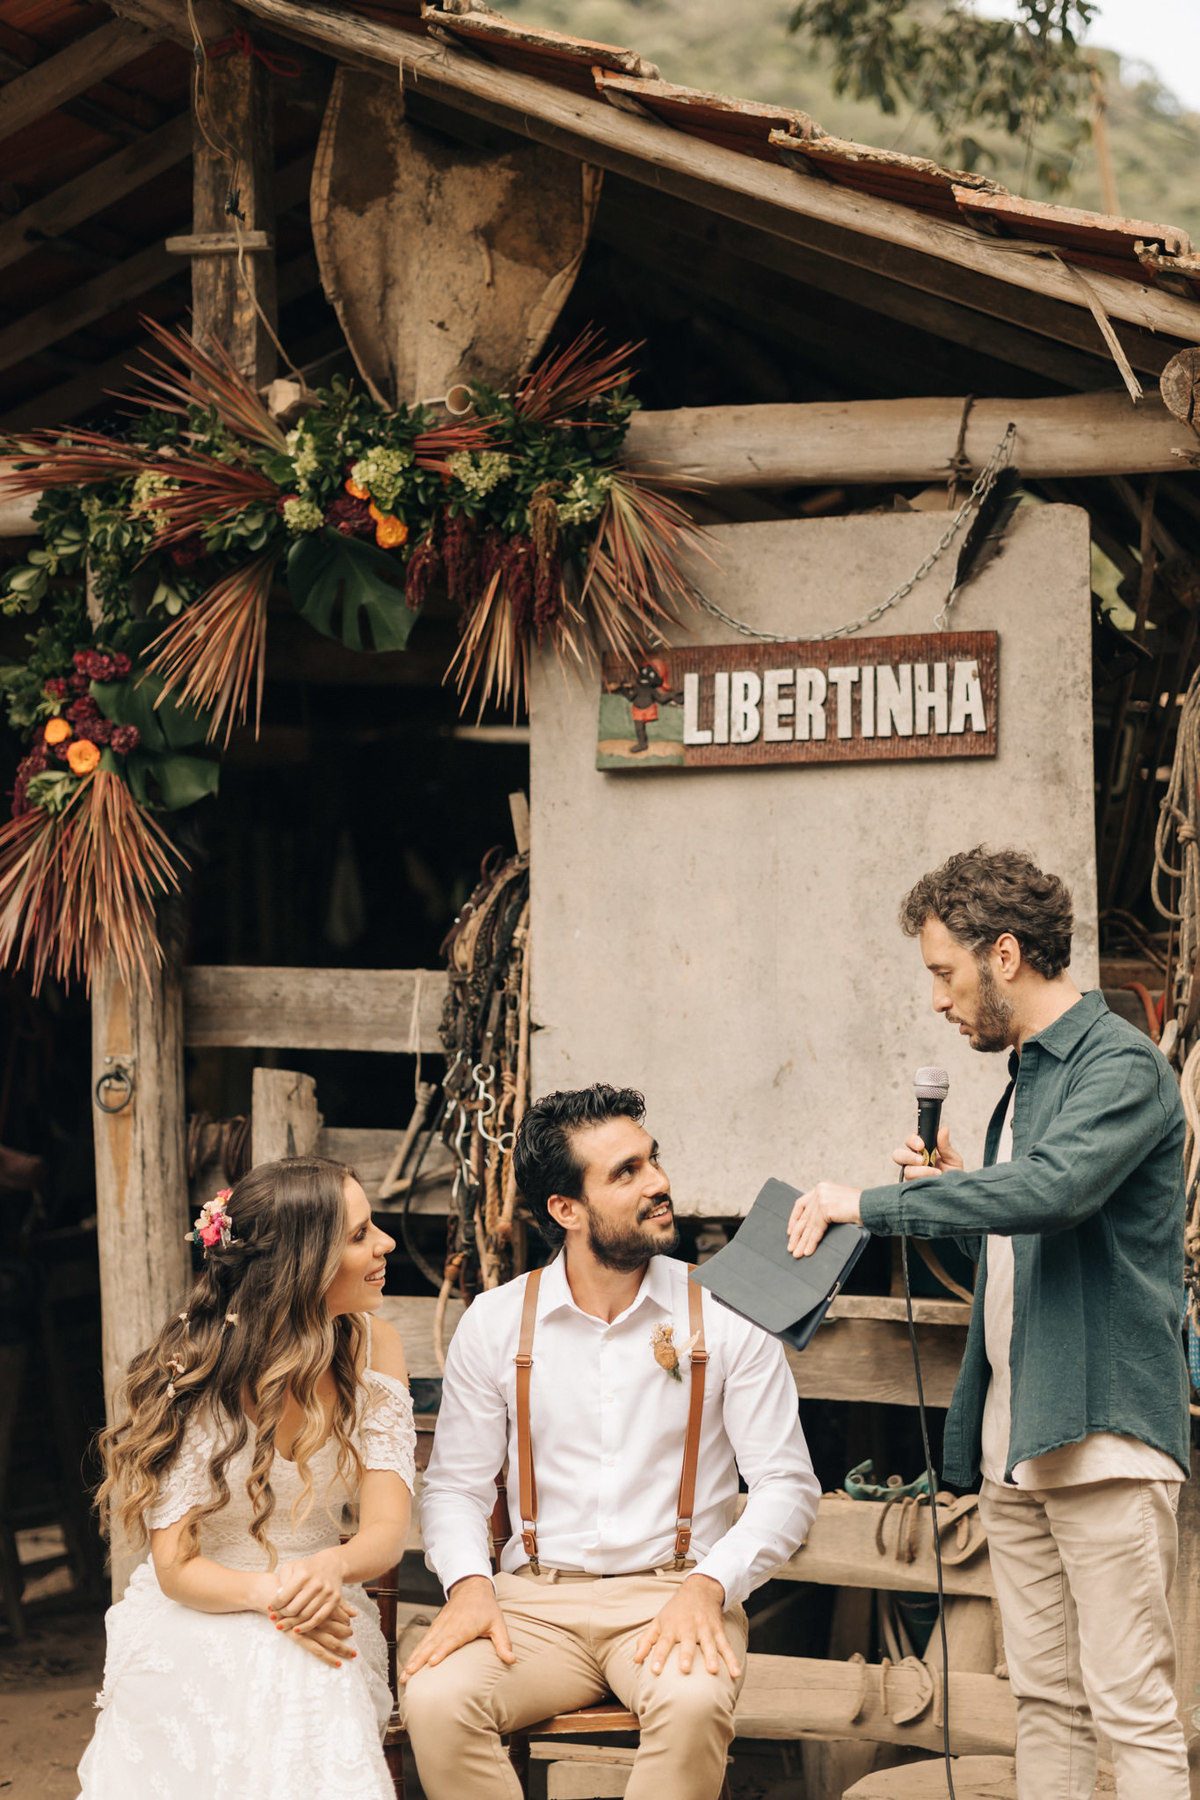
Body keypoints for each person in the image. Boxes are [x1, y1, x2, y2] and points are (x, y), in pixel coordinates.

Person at [786, 845, 1191, 1800]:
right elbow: (1015, 1258)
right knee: (1045, 1706)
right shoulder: (1023, 1081)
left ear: (1004, 953)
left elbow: (1055, 1194)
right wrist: (957, 1196)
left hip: (1100, 1439)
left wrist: (878, 1203)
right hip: (1020, 1446)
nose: (937, 998)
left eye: (944, 970)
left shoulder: (1121, 1066)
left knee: (1131, 1709)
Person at [401, 1083, 820, 1800]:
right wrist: (470, 1585)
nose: (659, 1183)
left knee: (691, 1707)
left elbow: (787, 1486)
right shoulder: (497, 1323)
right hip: (533, 1603)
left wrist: (711, 1583)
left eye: (651, 1160)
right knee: (436, 1699)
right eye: (625, 1172)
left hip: (674, 1593)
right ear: (566, 1210)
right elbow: (456, 1488)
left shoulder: (726, 1316)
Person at [79, 1156, 416, 1800]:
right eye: (358, 1235)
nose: (385, 1244)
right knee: (253, 1670)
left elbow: (384, 1533)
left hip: (325, 1599)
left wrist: (328, 1572)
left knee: (316, 1671)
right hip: (203, 1601)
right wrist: (278, 1599)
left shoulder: (378, 1349)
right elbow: (177, 1569)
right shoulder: (198, 1369)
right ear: (302, 1264)